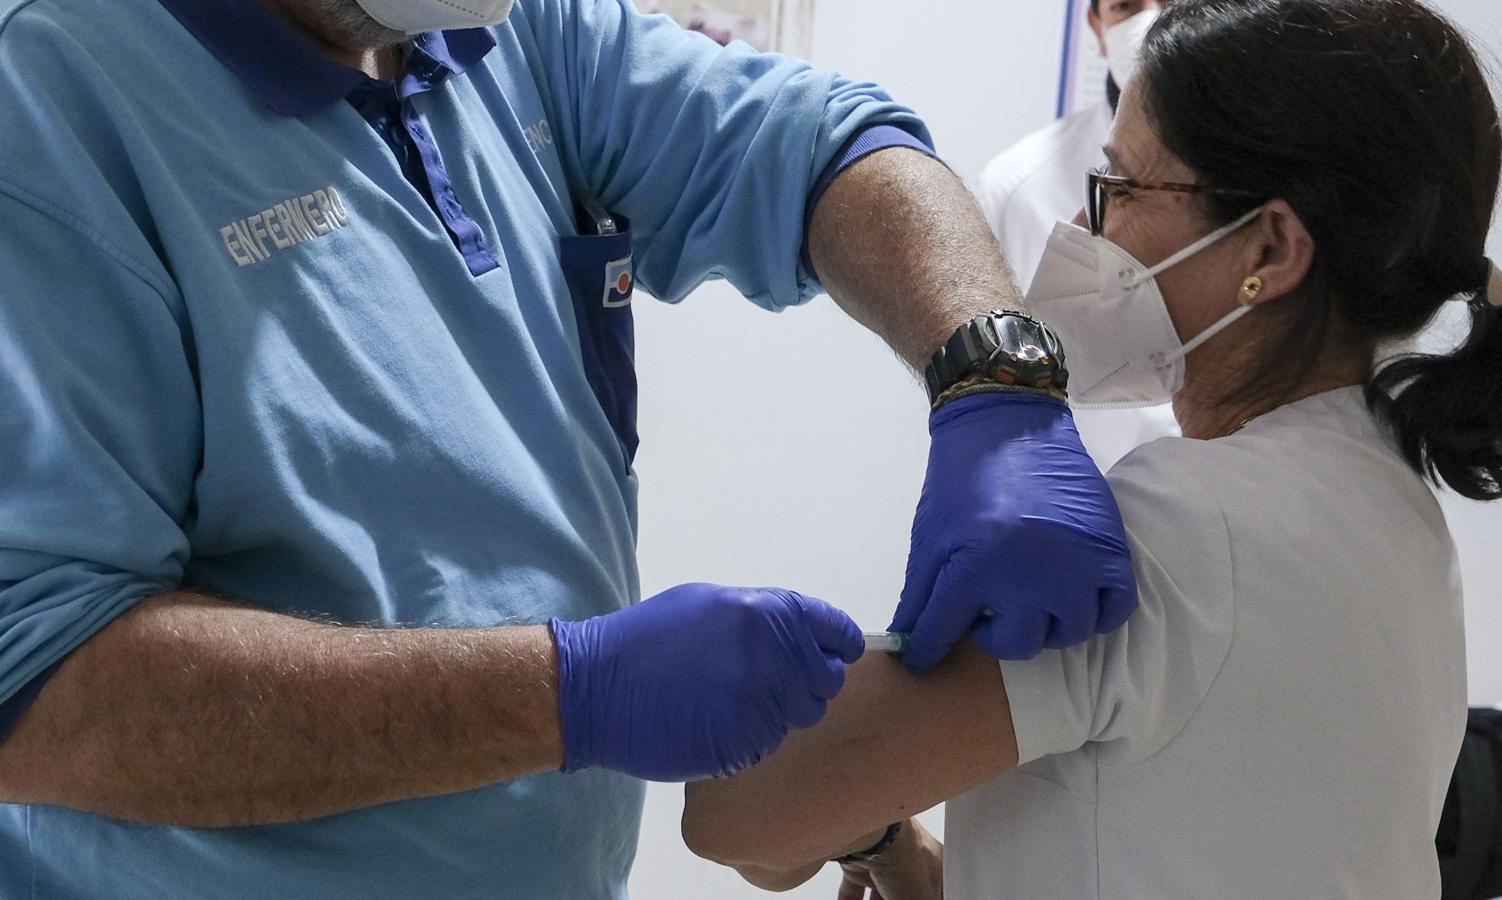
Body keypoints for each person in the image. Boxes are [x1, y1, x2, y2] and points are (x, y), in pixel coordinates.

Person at [0, 0, 1137, 896]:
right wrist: (570, 695)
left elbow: (820, 144)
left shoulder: (493, 30)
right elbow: (41, 693)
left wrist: (994, 375)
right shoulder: (53, 108)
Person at [682, 1, 1502, 898]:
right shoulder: (1400, 512)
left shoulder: (1179, 528)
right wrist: (912, 860)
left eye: (1121, 188)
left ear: (1269, 246)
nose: (1081, 221)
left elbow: (739, 809)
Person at [978, 0, 1176, 471]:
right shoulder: (1015, 190)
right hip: (1086, 494)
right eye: (1126, 5)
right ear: (1094, 20)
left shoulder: (1262, 176)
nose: (1150, 21)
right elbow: (990, 388)